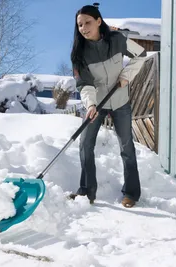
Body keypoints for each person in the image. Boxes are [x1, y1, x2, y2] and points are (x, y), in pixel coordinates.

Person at [69, 5, 146, 208]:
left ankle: (131, 193)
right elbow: (84, 84)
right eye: (79, 25)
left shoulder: (117, 39)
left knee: (126, 147)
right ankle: (86, 192)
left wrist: (125, 77)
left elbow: (141, 54)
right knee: (85, 144)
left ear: (98, 21)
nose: (83, 28)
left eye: (87, 23)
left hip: (120, 99)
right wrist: (91, 105)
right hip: (97, 102)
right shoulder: (79, 54)